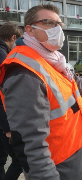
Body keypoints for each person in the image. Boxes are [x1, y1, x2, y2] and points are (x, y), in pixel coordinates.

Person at [0, 4, 82, 180]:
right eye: (49, 23)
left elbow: (75, 82)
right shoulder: (24, 73)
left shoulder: (52, 59)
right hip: (58, 166)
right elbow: (31, 145)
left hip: (73, 156)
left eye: (59, 24)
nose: (58, 29)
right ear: (29, 29)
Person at [0, 22, 23, 180]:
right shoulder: (3, 56)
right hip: (3, 122)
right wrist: (7, 126)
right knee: (20, 160)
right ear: (13, 37)